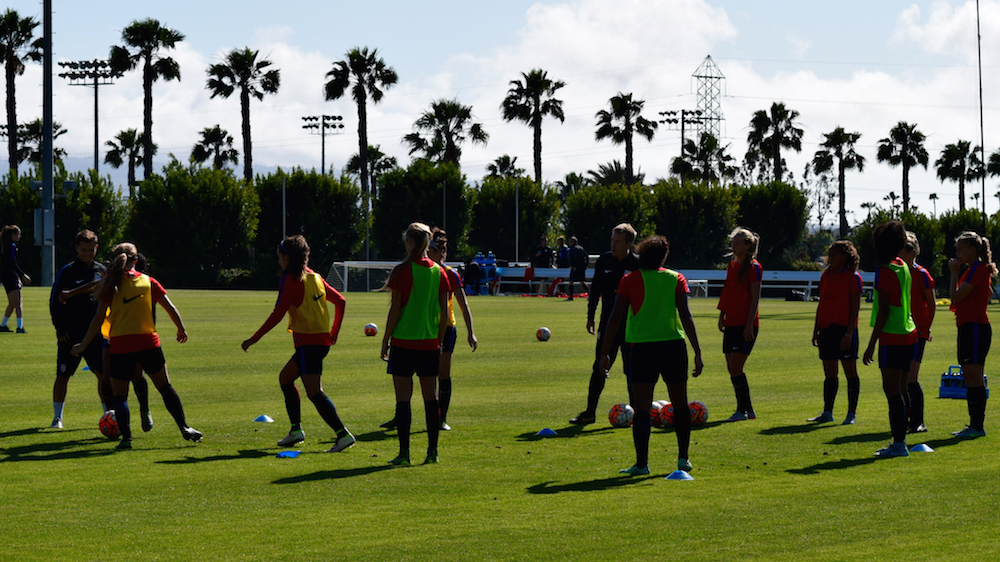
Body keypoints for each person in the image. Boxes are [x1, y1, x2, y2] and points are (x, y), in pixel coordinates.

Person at [71, 242, 203, 450]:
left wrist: (83, 345)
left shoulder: (109, 283)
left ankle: (127, 440)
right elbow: (170, 307)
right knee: (165, 388)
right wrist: (181, 329)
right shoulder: (148, 281)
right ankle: (185, 427)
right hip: (149, 343)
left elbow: (97, 320)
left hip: (121, 345)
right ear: (136, 260)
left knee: (120, 396)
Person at [600, 235, 703, 476]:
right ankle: (683, 459)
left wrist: (604, 352)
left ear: (641, 253)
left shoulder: (629, 280)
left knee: (642, 408)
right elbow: (686, 316)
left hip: (642, 349)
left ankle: (641, 464)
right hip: (673, 347)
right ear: (663, 256)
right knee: (680, 404)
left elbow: (615, 318)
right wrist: (697, 351)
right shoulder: (676, 278)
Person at [242, 235, 354, 452]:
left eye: (280, 257)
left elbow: (278, 314)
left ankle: (342, 434)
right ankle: (296, 431)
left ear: (288, 257)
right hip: (319, 341)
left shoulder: (291, 279)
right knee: (285, 378)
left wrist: (253, 339)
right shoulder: (316, 277)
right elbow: (341, 301)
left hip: (308, 343)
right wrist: (334, 332)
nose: (279, 261)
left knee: (314, 391)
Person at [380, 228, 477, 431]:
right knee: (409, 379)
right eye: (435, 247)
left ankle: (441, 419)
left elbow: (462, 303)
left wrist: (471, 331)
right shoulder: (423, 270)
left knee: (441, 375)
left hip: (445, 329)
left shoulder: (448, 273)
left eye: (441, 248)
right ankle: (402, 417)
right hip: (426, 330)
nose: (438, 252)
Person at [380, 222, 450, 465]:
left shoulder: (402, 271)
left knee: (403, 400)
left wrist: (385, 340)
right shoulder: (439, 271)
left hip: (403, 343)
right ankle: (432, 452)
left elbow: (396, 309)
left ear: (410, 242)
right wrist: (438, 341)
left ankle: (404, 454)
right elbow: (444, 314)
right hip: (429, 345)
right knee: (431, 398)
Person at [568, 223, 640, 425]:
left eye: (618, 241)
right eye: (612, 240)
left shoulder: (637, 265)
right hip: (607, 326)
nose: (613, 244)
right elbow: (596, 290)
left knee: (631, 370)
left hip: (631, 328)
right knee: (599, 366)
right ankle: (589, 413)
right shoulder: (604, 261)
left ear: (629, 243)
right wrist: (590, 316)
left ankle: (637, 414)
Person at [862, 220, 917, 458]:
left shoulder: (885, 270)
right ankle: (902, 438)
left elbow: (883, 311)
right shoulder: (902, 265)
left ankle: (898, 444)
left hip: (893, 336)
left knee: (892, 390)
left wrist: (871, 345)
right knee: (902, 389)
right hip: (908, 333)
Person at [48, 230, 110, 429]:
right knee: (63, 375)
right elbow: (54, 302)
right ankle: (57, 417)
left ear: (96, 248)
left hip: (97, 335)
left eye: (91, 250)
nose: (88, 253)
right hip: (71, 335)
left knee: (103, 376)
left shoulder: (102, 271)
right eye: (84, 250)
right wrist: (60, 331)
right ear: (76, 248)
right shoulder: (67, 271)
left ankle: (108, 414)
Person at [947, 231, 996, 438]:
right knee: (970, 376)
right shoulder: (975, 270)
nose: (957, 253)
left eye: (960, 249)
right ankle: (974, 425)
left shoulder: (976, 269)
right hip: (969, 326)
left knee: (974, 377)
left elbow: (955, 297)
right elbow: (989, 292)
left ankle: (977, 426)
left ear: (972, 250)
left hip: (975, 327)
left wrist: (953, 273)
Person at [809, 240, 862, 425]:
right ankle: (827, 412)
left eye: (835, 255)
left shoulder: (852, 277)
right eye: (829, 254)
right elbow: (821, 303)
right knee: (830, 374)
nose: (830, 258)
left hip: (844, 330)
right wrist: (816, 329)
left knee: (850, 373)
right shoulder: (826, 276)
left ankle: (851, 414)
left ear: (846, 256)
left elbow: (855, 308)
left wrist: (848, 334)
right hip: (826, 329)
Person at [718, 227, 762, 422]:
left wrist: (748, 325)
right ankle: (748, 410)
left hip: (746, 324)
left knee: (736, 367)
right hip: (731, 322)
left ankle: (741, 410)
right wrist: (722, 315)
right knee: (731, 367)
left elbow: (755, 298)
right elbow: (727, 291)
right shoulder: (732, 265)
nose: (733, 246)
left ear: (747, 245)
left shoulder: (754, 267)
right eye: (732, 243)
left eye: (737, 243)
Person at [901, 231, 936, 433]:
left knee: (911, 378)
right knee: (902, 378)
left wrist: (926, 327)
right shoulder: (897, 272)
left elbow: (931, 304)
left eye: (904, 248)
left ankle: (918, 421)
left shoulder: (921, 273)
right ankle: (906, 417)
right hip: (900, 331)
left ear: (913, 251)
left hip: (917, 332)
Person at [1, 224, 30, 333]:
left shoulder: (5, 245)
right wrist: (22, 275)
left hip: (5, 276)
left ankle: (3, 325)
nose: (20, 236)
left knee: (12, 303)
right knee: (18, 302)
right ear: (13, 235)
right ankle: (20, 327)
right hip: (10, 276)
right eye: (18, 234)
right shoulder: (11, 245)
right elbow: (12, 263)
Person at [566, 235, 589, 301]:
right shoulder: (581, 248)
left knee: (571, 282)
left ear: (573, 242)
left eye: (570, 241)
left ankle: (570, 297)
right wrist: (586, 265)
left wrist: (574, 266)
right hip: (582, 268)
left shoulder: (573, 249)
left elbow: (574, 258)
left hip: (575, 268)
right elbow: (586, 256)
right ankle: (590, 294)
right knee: (582, 282)